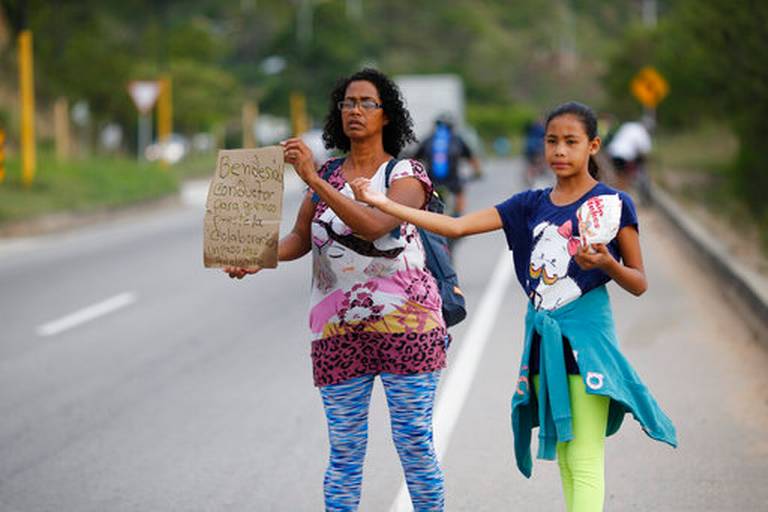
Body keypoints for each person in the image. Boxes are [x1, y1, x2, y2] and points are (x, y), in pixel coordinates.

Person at [351, 101, 677, 512]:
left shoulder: (612, 204)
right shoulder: (528, 204)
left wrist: (608, 264)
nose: (559, 151)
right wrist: (384, 205)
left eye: (571, 142)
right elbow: (457, 225)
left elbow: (639, 282)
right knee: (565, 457)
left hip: (588, 341)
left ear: (593, 146)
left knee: (584, 458)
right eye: (552, 141)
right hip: (543, 343)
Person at [224, 68, 448, 511]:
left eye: (367, 103)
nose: (356, 111)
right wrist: (257, 254)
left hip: (409, 327)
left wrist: (315, 180)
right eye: (348, 102)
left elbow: (375, 225)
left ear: (387, 116)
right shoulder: (326, 173)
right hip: (338, 334)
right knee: (344, 453)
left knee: (415, 447)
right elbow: (300, 239)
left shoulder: (405, 174)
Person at [414, 113, 483, 217]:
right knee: (460, 192)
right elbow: (471, 157)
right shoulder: (457, 139)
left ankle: (425, 216)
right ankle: (457, 217)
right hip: (453, 178)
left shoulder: (428, 139)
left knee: (425, 195)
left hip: (432, 179)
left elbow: (415, 158)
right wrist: (478, 171)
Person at [606, 120, 652, 201]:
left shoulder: (628, 125)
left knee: (618, 176)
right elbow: (644, 149)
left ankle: (615, 196)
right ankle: (620, 198)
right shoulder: (642, 132)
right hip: (625, 155)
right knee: (625, 178)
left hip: (613, 152)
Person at [522, 118, 547, 186]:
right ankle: (532, 174)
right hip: (536, 148)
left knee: (532, 164)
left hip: (529, 148)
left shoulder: (531, 128)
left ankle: (529, 176)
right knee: (538, 163)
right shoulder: (541, 129)